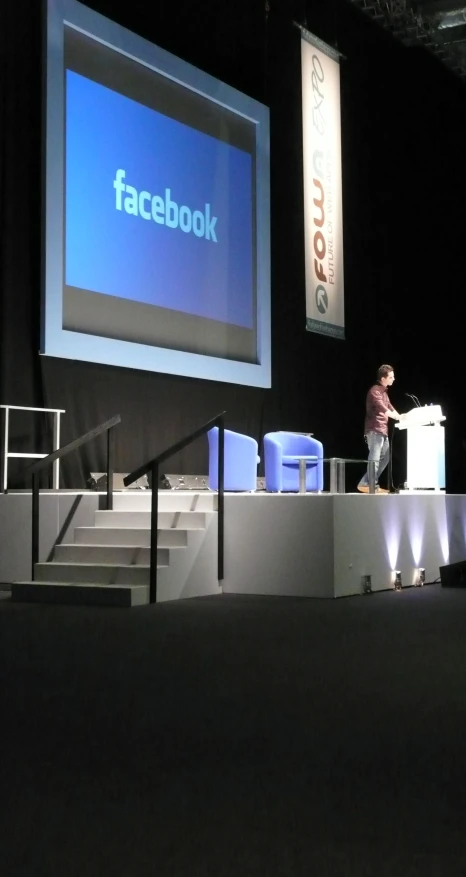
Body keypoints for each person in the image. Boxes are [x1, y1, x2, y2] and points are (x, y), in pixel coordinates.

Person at [357, 364, 405, 494]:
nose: (393, 379)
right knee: (375, 458)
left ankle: (366, 482)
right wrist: (396, 416)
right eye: (391, 377)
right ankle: (372, 484)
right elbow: (382, 408)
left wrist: (401, 416)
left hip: (383, 430)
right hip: (374, 429)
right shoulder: (375, 391)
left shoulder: (384, 392)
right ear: (383, 378)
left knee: (385, 457)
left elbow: (389, 406)